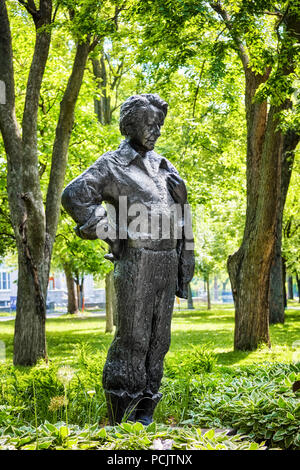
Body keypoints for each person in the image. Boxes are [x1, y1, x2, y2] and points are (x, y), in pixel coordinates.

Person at [62, 93, 194, 425]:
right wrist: (111, 231)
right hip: (137, 261)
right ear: (130, 122)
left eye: (160, 125)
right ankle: (123, 413)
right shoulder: (112, 165)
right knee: (133, 337)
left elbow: (182, 217)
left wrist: (185, 256)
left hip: (167, 261)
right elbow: (74, 196)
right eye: (150, 123)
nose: (156, 130)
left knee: (158, 340)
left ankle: (146, 408)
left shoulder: (165, 167)